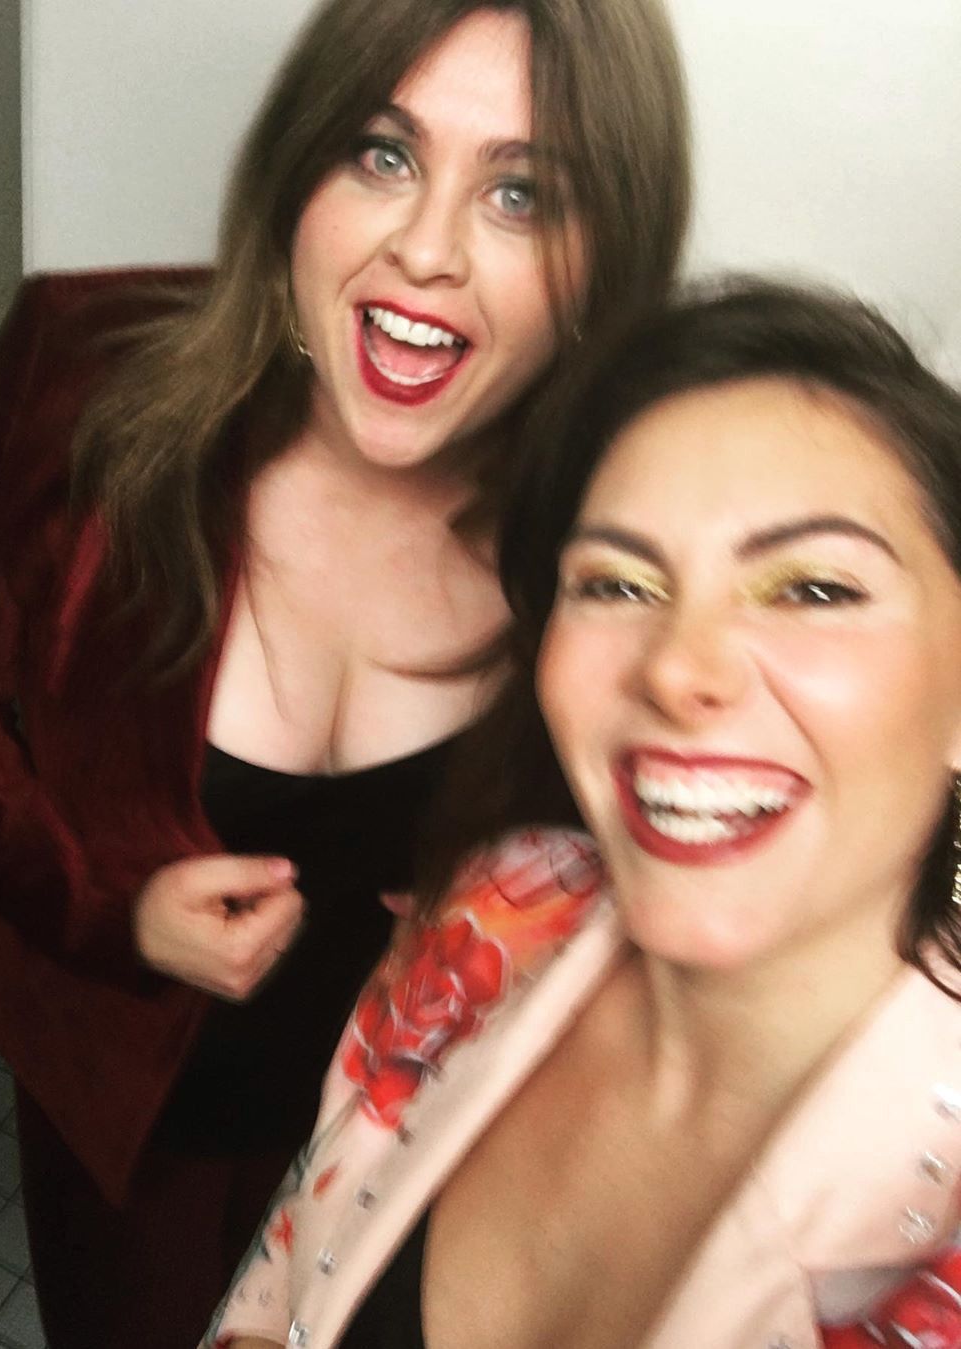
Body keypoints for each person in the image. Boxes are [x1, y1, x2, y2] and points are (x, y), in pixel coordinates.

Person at [0, 0, 689, 1345]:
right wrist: (107, 910)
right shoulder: (80, 371)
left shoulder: (616, 539)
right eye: (383, 152)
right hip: (119, 1120)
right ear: (300, 164)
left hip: (412, 1144)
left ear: (607, 257)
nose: (425, 248)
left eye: (521, 193)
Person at [207, 280, 961, 1349]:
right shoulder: (500, 906)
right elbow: (288, 1265)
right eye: (616, 583)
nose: (678, 669)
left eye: (814, 589)